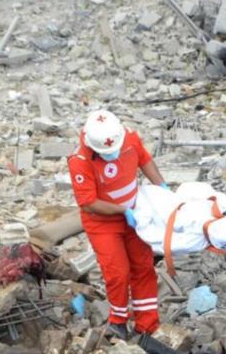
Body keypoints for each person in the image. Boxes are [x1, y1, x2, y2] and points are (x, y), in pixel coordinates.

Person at [68, 110, 169, 340]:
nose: (112, 155)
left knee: (143, 266)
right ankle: (118, 321)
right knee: (117, 272)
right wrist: (123, 211)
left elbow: (145, 160)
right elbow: (89, 203)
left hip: (135, 214)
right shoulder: (80, 161)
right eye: (106, 153)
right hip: (103, 223)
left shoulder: (128, 137)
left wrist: (162, 187)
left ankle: (148, 325)